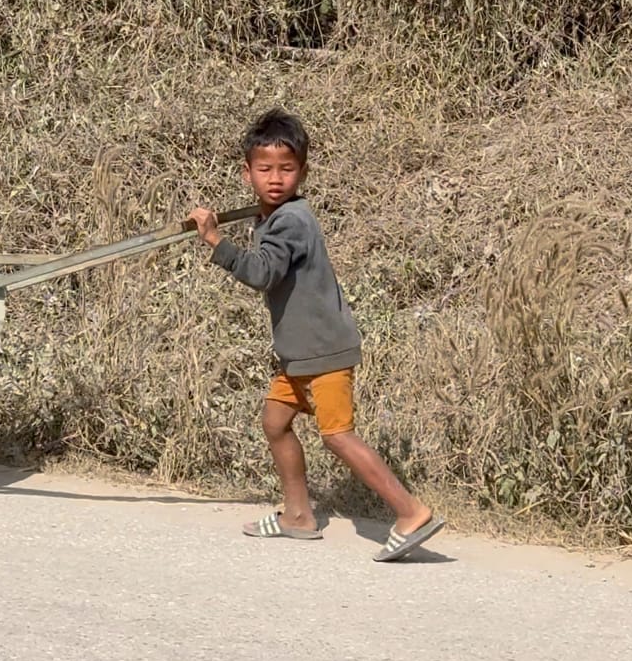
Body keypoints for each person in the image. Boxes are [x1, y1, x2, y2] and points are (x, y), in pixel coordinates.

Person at [187, 108, 445, 562]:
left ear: (302, 172)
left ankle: (411, 512)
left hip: (323, 350)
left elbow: (263, 273)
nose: (274, 178)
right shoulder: (275, 215)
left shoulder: (290, 221)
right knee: (275, 421)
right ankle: (298, 515)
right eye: (264, 169)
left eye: (286, 170)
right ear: (247, 172)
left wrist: (215, 243)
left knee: (337, 435)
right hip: (299, 354)